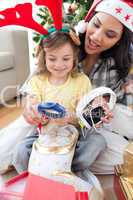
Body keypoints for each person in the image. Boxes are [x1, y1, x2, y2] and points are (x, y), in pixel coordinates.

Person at [11, 24, 108, 181]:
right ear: (44, 56)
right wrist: (38, 116)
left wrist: (70, 118)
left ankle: (62, 169)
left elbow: (85, 118)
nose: (59, 64)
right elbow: (32, 106)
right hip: (45, 135)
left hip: (74, 134)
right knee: (19, 153)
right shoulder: (37, 81)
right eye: (52, 58)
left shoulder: (82, 81)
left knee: (98, 142)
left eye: (66, 58)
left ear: (75, 57)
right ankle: (41, 174)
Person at [71, 0, 133, 177]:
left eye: (110, 34)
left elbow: (110, 105)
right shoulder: (66, 44)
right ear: (87, 20)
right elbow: (37, 82)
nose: (97, 37)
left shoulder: (114, 64)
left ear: (119, 40)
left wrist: (101, 109)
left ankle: (74, 157)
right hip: (60, 117)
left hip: (91, 123)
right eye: (96, 25)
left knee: (125, 156)